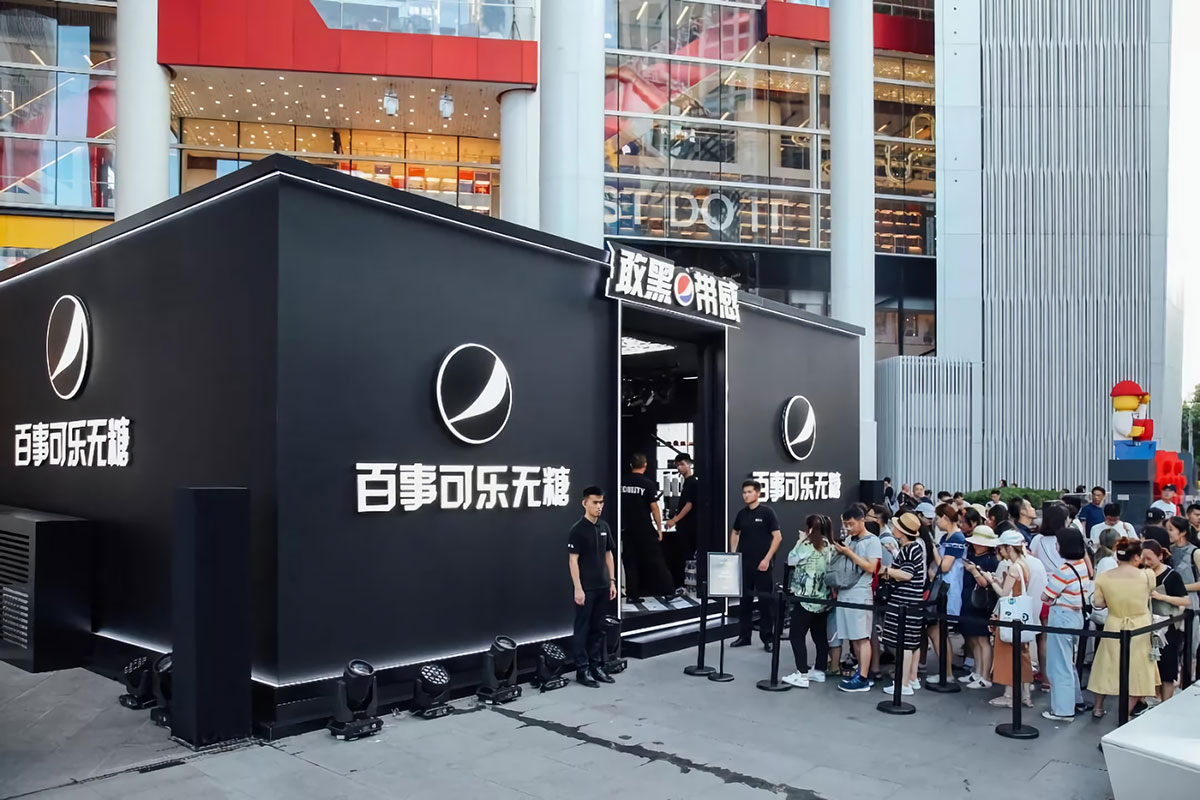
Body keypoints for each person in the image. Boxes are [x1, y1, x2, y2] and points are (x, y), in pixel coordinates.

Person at [1089, 538, 1159, 719]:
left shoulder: (1104, 577)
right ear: (1136, 556)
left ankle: (1098, 707)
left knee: (1106, 665)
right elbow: (1151, 592)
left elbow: (1098, 603)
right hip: (1140, 625)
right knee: (1139, 669)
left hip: (1114, 622)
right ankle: (1124, 712)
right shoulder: (1147, 575)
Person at [966, 531, 1034, 709]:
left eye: (1001, 548)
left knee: (1006, 654)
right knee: (1023, 655)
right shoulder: (1024, 564)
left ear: (1009, 548)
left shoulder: (1013, 567)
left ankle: (1009, 695)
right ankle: (1026, 694)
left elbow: (1004, 594)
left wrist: (991, 580)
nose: (999, 551)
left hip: (1010, 615)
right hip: (1022, 614)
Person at [567, 486, 618, 687]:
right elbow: (573, 561)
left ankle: (596, 666)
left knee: (598, 628)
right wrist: (578, 588)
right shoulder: (577, 530)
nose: (599, 506)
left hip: (603, 586)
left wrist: (612, 581)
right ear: (585, 503)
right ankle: (582, 669)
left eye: (601, 502)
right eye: (595, 502)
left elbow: (609, 554)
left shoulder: (604, 526)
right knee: (582, 628)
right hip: (586, 588)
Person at [1040, 528, 1090, 721]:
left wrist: (1053, 597)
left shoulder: (1063, 571)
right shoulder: (1082, 565)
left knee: (1059, 665)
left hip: (1062, 617)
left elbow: (1046, 596)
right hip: (1077, 616)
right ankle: (1076, 701)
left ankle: (1063, 710)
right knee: (1068, 662)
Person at [832, 505, 882, 692]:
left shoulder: (873, 541)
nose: (848, 527)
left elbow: (871, 567)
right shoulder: (849, 539)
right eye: (846, 524)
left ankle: (863, 677)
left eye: (851, 524)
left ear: (862, 521)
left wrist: (849, 553)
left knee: (862, 636)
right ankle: (860, 672)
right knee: (853, 637)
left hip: (861, 592)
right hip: (845, 591)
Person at [878, 513, 928, 696]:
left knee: (904, 644)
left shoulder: (910, 549)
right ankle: (911, 678)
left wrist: (886, 570)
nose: (893, 529)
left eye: (896, 527)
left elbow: (907, 574)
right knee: (911, 642)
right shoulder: (912, 547)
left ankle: (903, 683)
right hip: (912, 601)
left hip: (904, 601)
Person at [730, 480, 782, 651]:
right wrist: (733, 554)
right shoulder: (742, 514)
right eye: (744, 492)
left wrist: (767, 559)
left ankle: (768, 638)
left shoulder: (767, 512)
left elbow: (777, 537)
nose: (746, 495)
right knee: (744, 601)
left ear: (757, 493)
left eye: (749, 492)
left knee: (765, 602)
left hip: (763, 565)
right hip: (745, 564)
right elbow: (735, 532)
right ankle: (744, 636)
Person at [783, 514, 834, 688]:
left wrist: (800, 541)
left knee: (796, 635)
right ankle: (819, 670)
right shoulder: (830, 546)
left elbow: (791, 559)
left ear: (810, 528)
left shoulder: (807, 545)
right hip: (823, 598)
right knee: (819, 636)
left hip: (805, 598)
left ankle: (802, 673)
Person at [621, 454, 673, 600]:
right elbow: (654, 508)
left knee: (630, 561)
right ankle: (668, 591)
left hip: (627, 528)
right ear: (645, 465)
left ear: (631, 465)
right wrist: (659, 528)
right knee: (656, 560)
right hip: (644, 527)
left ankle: (632, 595)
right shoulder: (647, 483)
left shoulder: (622, 482)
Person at [1142, 539, 1189, 703]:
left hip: (1167, 626)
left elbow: (1185, 600)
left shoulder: (1172, 576)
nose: (1146, 562)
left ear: (1160, 556)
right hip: (1146, 624)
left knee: (1167, 668)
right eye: (1143, 558)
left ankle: (1166, 702)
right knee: (1150, 665)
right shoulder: (1142, 574)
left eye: (1149, 558)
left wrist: (1162, 597)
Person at [928, 503, 967, 677]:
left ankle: (947, 673)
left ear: (945, 517)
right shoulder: (947, 537)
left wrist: (934, 549)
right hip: (943, 586)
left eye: (937, 518)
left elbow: (945, 566)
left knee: (941, 631)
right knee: (940, 631)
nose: (936, 522)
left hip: (950, 588)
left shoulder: (956, 539)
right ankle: (946, 672)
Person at [959, 517, 998, 689]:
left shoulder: (991, 560)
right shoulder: (970, 554)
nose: (976, 545)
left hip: (982, 602)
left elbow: (985, 582)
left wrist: (974, 571)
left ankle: (985, 675)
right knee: (973, 638)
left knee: (982, 639)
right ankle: (977, 671)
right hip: (969, 599)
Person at [1166, 515, 1200, 675]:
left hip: (1191, 603)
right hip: (1171, 603)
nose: (1168, 533)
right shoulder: (1169, 551)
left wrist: (1181, 587)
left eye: (1171, 529)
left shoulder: (1195, 553)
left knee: (1190, 647)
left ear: (1183, 532)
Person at [663, 454, 699, 591]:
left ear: (689, 465)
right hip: (686, 526)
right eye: (677, 465)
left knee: (688, 555)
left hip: (689, 527)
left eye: (682, 464)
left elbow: (689, 505)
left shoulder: (691, 482)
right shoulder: (688, 482)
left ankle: (688, 585)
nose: (679, 467)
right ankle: (688, 585)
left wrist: (674, 520)